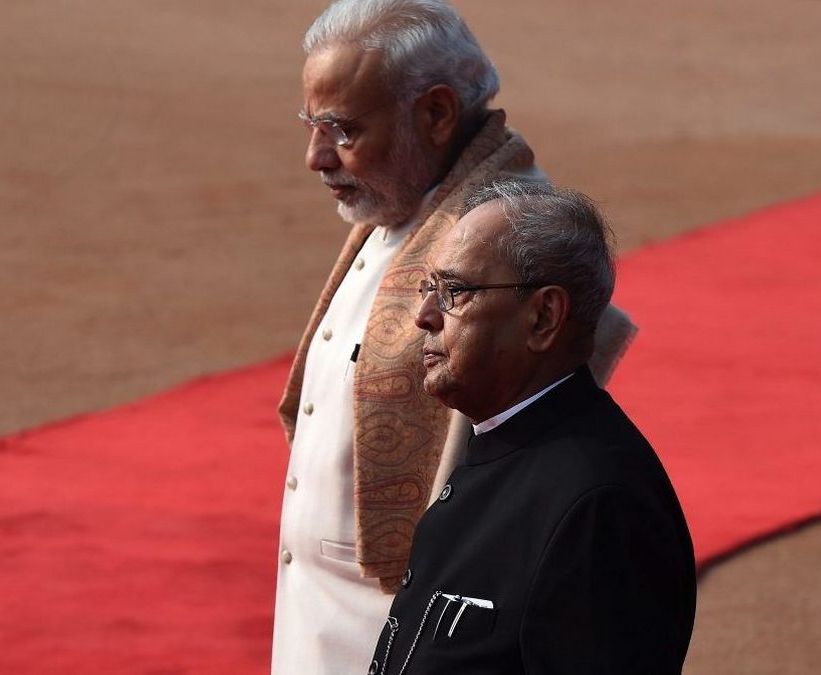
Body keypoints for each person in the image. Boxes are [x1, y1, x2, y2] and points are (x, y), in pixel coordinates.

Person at [273, 1, 638, 672]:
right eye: (312, 127)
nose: (315, 157)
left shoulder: (510, 249)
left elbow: (527, 466)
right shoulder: (401, 203)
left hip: (407, 639)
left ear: (436, 113)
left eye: (343, 130)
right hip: (316, 625)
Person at [365, 180, 696, 674]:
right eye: (428, 288)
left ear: (543, 317)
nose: (424, 316)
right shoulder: (501, 445)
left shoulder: (600, 506)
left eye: (454, 291)